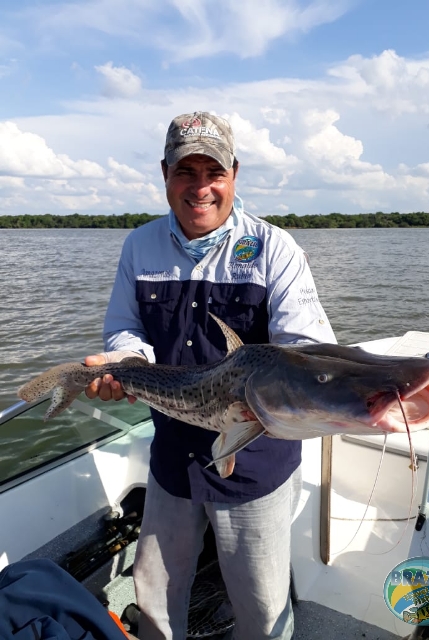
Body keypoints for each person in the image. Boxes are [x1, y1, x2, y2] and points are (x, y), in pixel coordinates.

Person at [84, 111, 336, 640]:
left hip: (256, 465)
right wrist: (124, 366)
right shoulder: (139, 246)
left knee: (263, 609)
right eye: (186, 172)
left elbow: (308, 352)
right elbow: (125, 331)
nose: (200, 187)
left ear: (234, 174)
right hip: (172, 457)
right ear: (165, 173)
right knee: (154, 599)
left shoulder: (274, 249)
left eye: (213, 172)